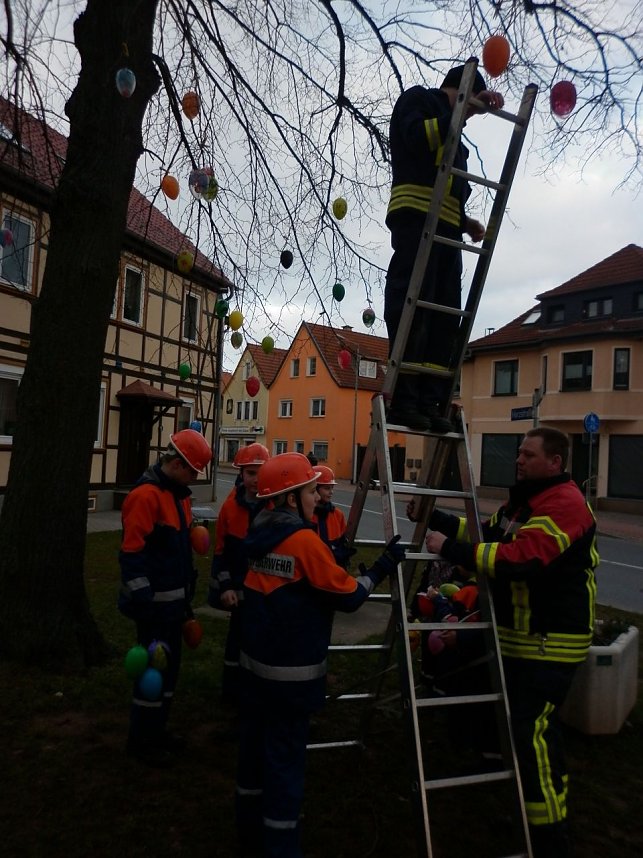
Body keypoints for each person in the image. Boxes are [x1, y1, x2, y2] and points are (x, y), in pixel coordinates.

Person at [425, 427, 598, 857]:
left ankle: (549, 835)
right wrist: (439, 519)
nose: (519, 460)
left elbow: (523, 559)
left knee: (532, 731)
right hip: (522, 637)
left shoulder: (566, 504)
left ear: (555, 462)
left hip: (550, 641)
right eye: (519, 453)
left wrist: (452, 550)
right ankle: (524, 808)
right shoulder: (526, 502)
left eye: (529, 454)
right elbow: (488, 534)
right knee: (510, 723)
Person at [234, 452, 405, 857]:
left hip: (256, 670)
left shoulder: (261, 528)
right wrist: (380, 567)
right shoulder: (303, 540)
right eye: (312, 491)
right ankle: (280, 844)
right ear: (291, 498)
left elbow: (294, 579)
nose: (319, 499)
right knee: (285, 765)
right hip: (290, 679)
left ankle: (248, 831)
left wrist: (328, 559)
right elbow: (348, 598)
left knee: (254, 755)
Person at [384, 63, 504, 432]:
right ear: (457, 91)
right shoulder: (418, 100)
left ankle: (431, 401)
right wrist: (459, 110)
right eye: (469, 108)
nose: (468, 119)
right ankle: (403, 399)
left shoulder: (458, 142)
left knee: (444, 319)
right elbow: (418, 139)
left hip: (447, 234)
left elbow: (450, 188)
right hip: (416, 224)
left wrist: (466, 222)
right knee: (412, 311)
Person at [118, 428, 213, 768]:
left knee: (168, 672)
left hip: (174, 606)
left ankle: (157, 732)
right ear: (177, 464)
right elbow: (132, 553)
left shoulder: (179, 495)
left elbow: (180, 544)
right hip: (154, 609)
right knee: (151, 673)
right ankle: (141, 740)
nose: (194, 477)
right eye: (193, 471)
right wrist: (144, 601)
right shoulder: (146, 497)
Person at [208, 442, 270, 704]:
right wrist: (226, 588)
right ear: (241, 474)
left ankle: (257, 695)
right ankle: (232, 696)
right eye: (250, 473)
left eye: (260, 472)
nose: (255, 480)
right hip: (240, 595)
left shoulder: (273, 507)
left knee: (263, 648)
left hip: (267, 595)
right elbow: (221, 554)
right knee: (235, 645)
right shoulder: (229, 508)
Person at [311, 465, 353, 568]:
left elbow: (342, 541)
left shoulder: (337, 515)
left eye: (332, 488)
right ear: (314, 489)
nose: (331, 492)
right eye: (326, 488)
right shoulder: (306, 515)